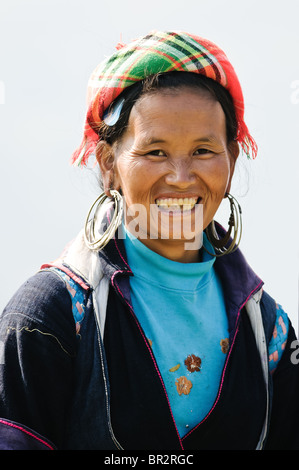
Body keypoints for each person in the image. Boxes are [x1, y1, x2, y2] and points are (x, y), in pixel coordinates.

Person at [0, 30, 298, 451]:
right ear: (109, 165)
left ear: (231, 161)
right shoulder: (49, 318)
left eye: (203, 150)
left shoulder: (270, 332)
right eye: (155, 152)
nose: (180, 176)